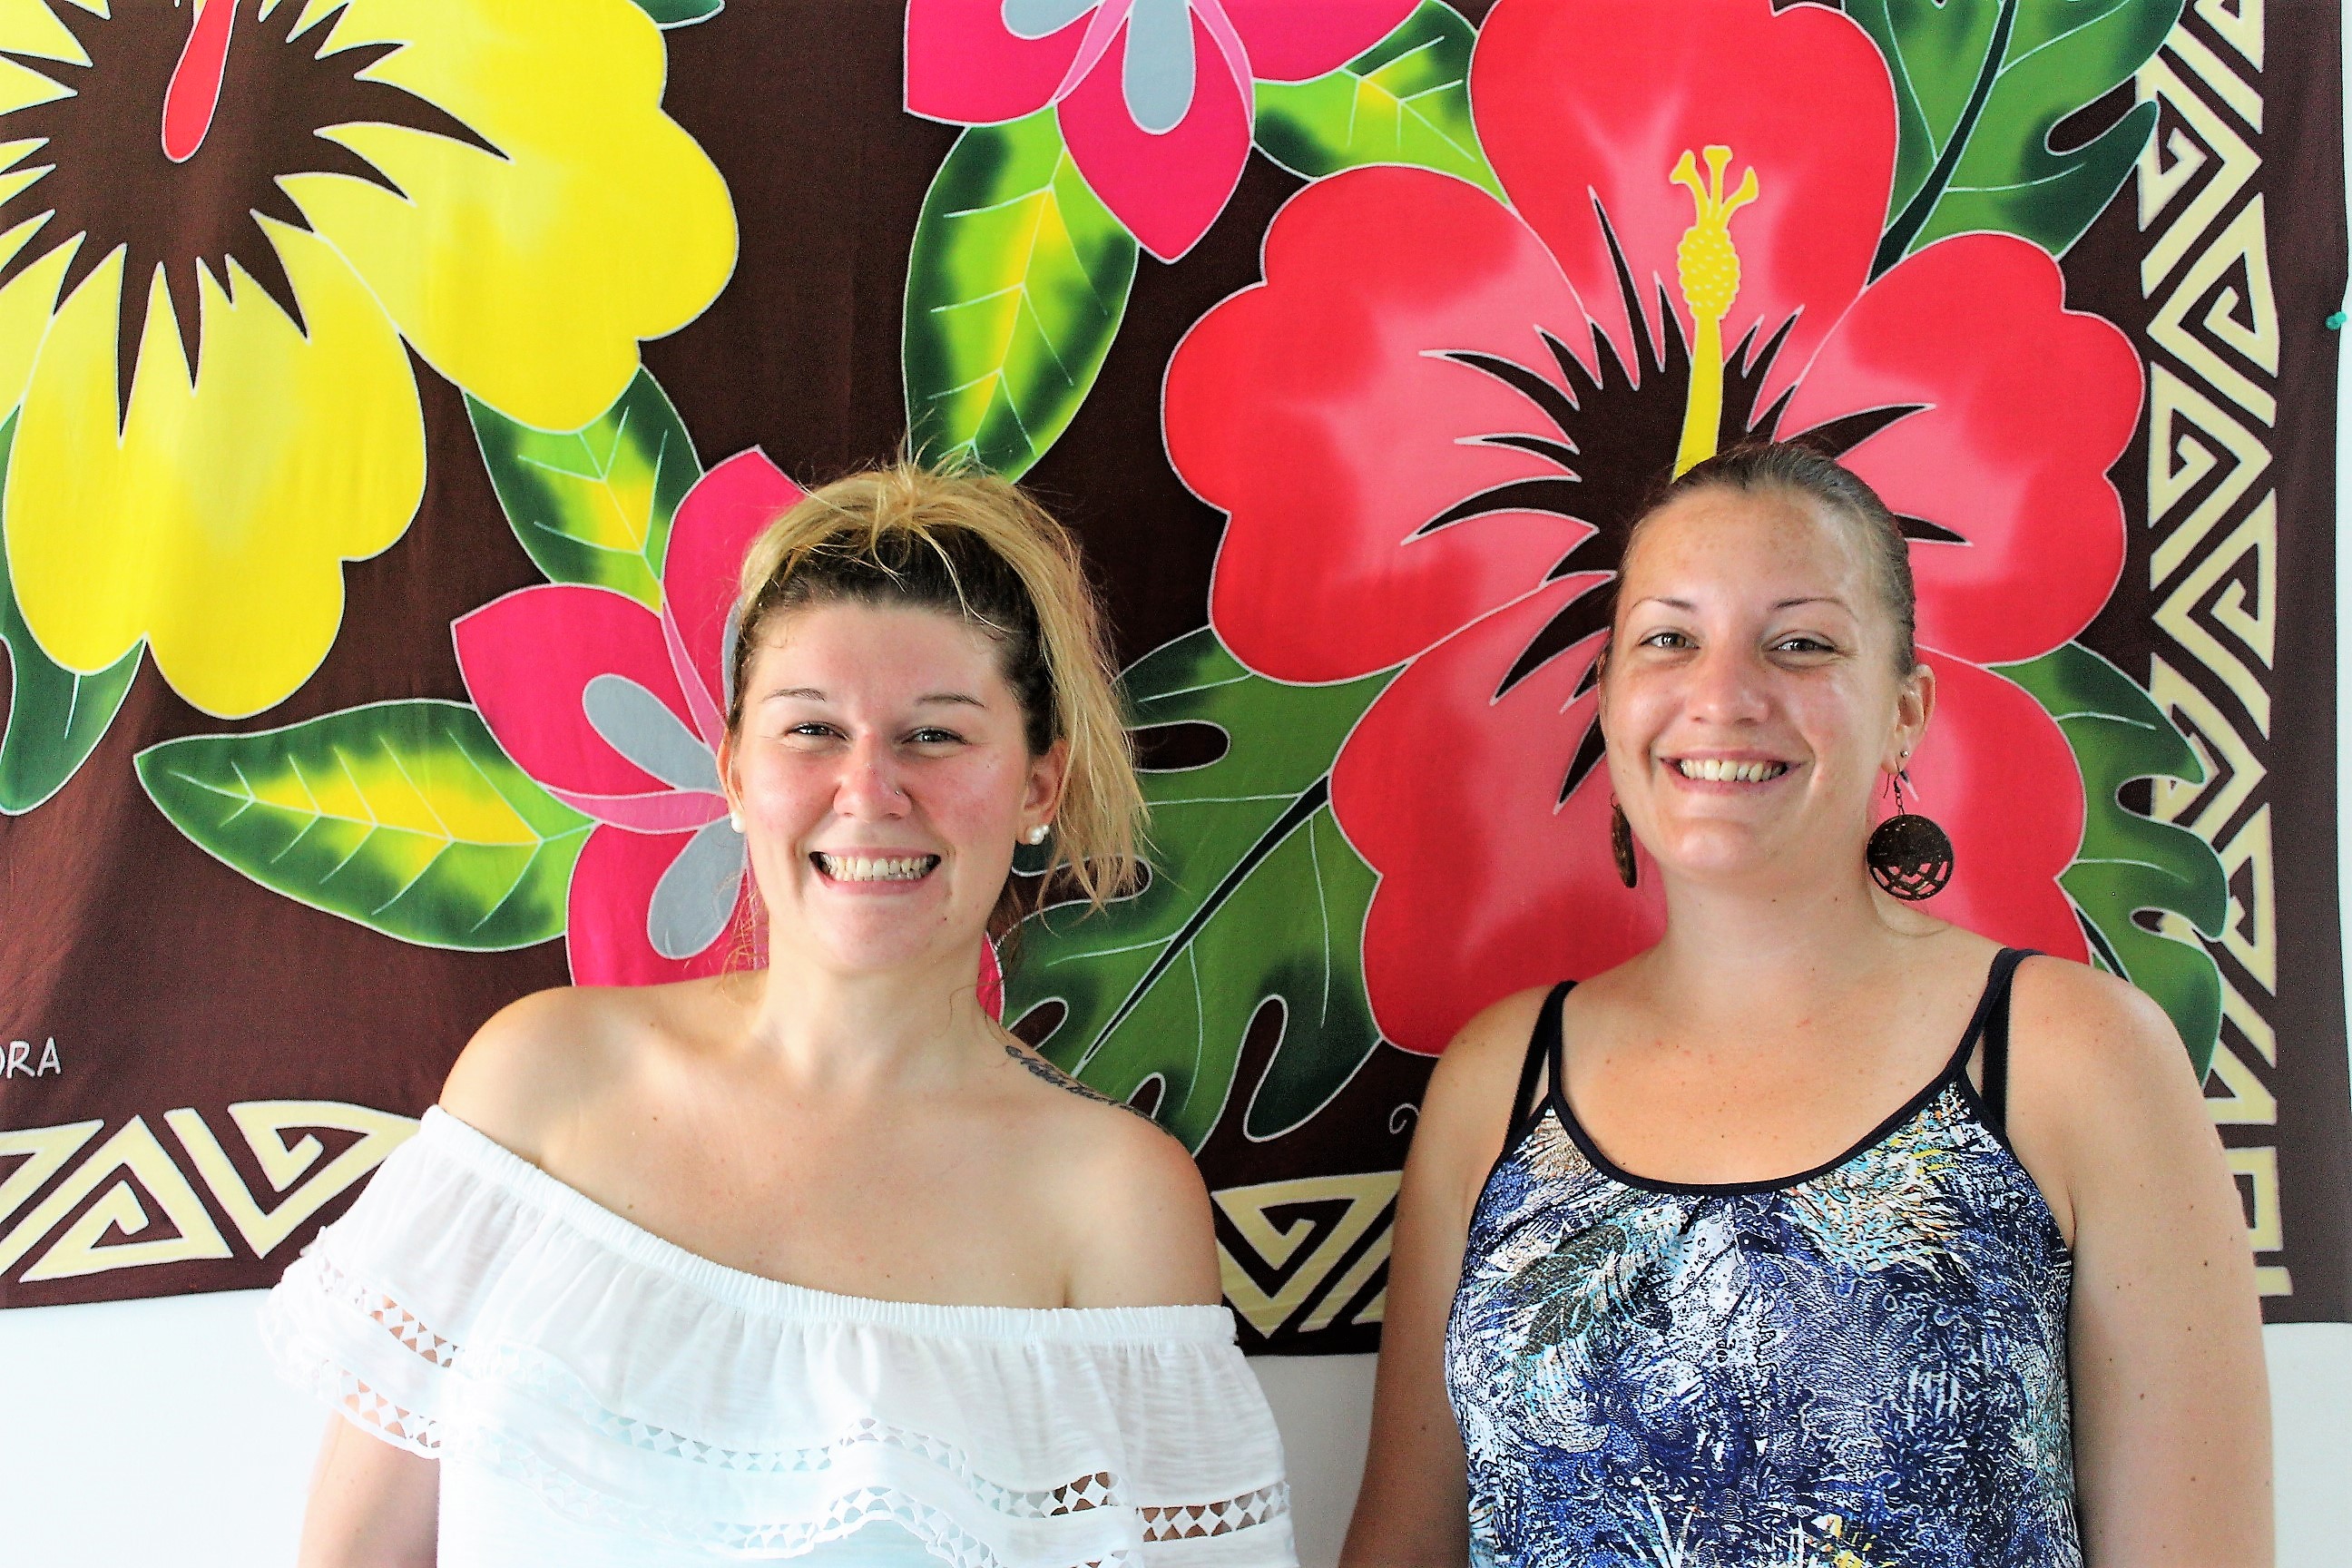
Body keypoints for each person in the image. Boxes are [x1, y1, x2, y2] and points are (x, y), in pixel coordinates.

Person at [266, 465, 1296, 1567]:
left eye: (936, 737)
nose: (868, 788)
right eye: (810, 731)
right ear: (735, 771)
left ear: (1040, 787)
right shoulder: (541, 1081)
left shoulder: (1113, 1200)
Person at [1342, 445, 2271, 1567]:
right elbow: (1404, 1545)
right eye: (1669, 639)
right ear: (1609, 692)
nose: (1723, 694)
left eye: (1801, 644)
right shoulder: (1501, 1079)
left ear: (1905, 711)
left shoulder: (2073, 1058)